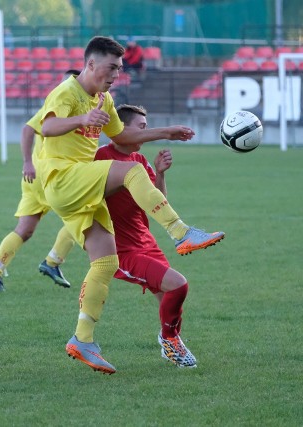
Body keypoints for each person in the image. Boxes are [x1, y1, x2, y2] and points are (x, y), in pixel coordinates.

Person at [39, 36, 224, 374]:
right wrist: (81, 121)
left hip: (78, 190)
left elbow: (122, 137)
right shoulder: (67, 92)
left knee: (105, 262)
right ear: (91, 64)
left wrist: (165, 132)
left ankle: (83, 339)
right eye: (111, 68)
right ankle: (181, 232)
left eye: (120, 69)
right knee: (133, 170)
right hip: (64, 178)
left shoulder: (104, 99)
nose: (116, 75)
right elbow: (46, 126)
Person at [95, 104, 197, 368]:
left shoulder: (139, 161)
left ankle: (172, 341)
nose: (146, 132)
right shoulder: (101, 157)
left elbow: (156, 202)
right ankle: (169, 340)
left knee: (170, 299)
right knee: (178, 285)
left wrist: (160, 173)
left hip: (146, 243)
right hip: (122, 251)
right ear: (122, 129)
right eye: (142, 128)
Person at [0, 69, 81, 292]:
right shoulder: (56, 108)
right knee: (85, 216)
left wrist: (28, 163)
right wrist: (27, 161)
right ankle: (53, 262)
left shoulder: (66, 107)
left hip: (34, 179)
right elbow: (28, 129)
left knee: (24, 229)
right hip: (49, 177)